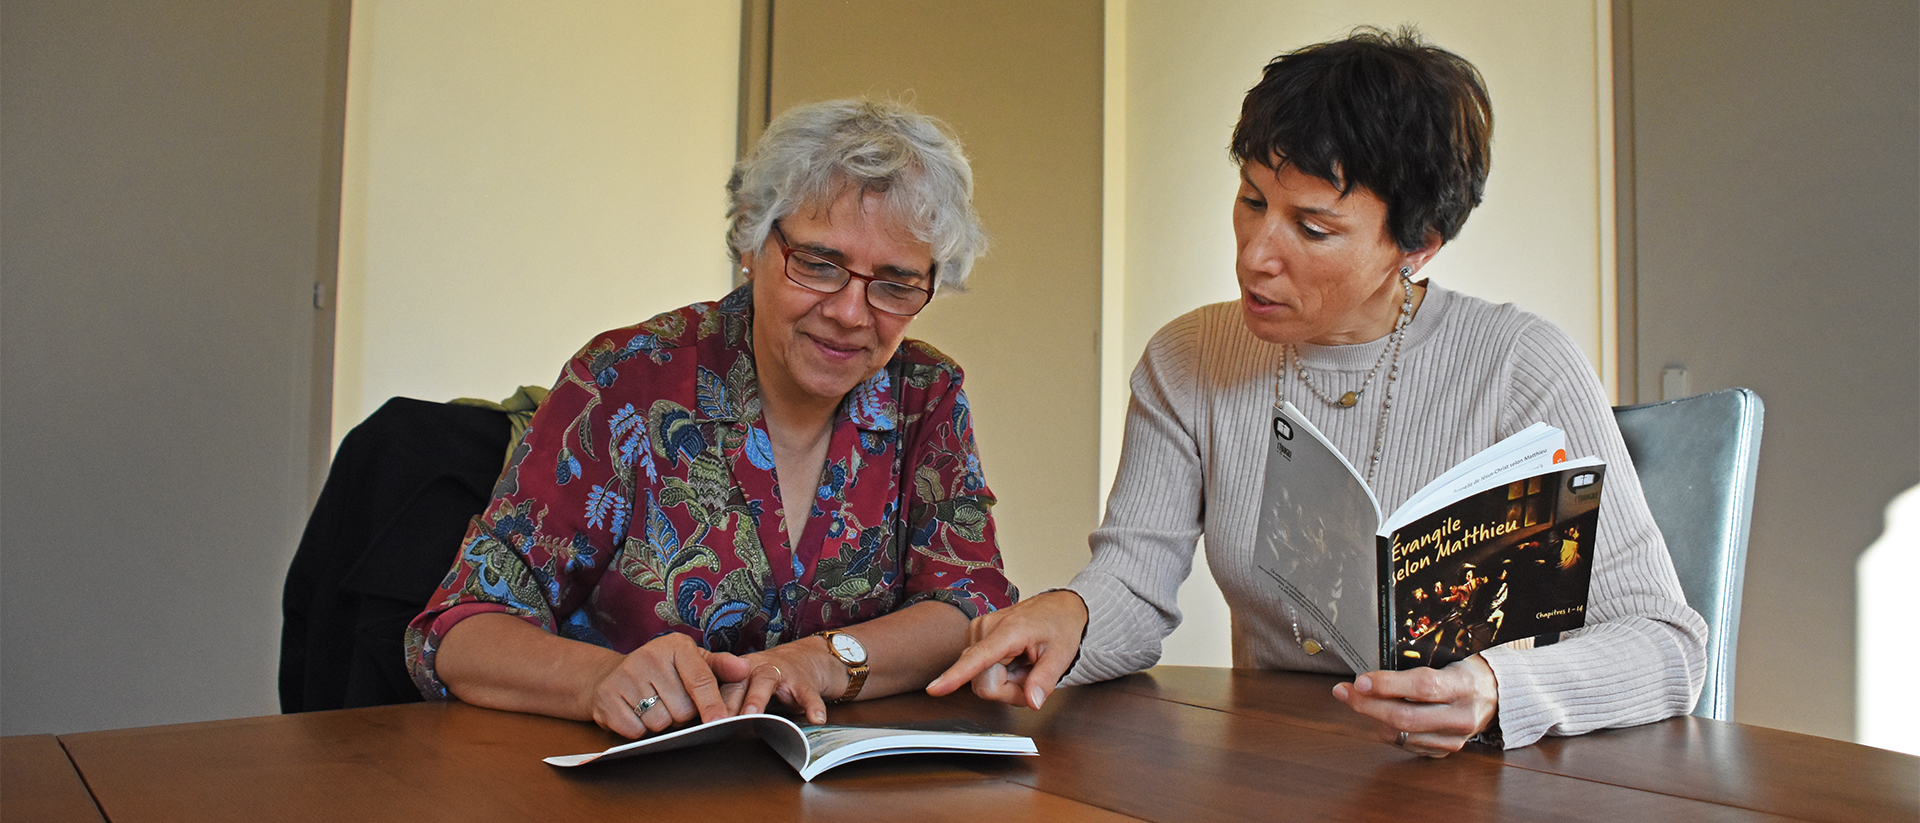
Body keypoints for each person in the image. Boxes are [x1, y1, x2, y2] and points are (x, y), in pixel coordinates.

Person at [927, 27, 1706, 757]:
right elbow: (1133, 580)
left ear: (1417, 244)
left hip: (1487, 775)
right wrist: (1072, 613)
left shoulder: (1520, 365)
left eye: (1313, 227)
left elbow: (1666, 643)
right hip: (1277, 763)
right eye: (1253, 200)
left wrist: (1496, 688)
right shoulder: (1188, 358)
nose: (1257, 255)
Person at [407, 99, 1018, 739]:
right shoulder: (628, 380)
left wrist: (821, 660)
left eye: (895, 285)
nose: (849, 312)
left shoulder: (925, 393)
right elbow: (461, 630)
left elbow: (967, 604)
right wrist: (596, 681)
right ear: (753, 242)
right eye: (818, 263)